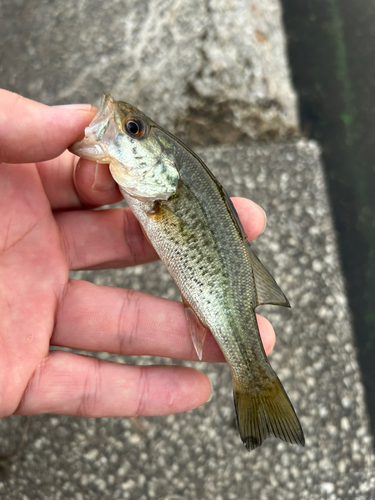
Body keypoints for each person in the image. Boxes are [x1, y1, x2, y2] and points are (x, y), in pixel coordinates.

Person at [0, 89, 275, 419]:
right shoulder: (159, 199)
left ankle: (255, 383)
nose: (123, 126)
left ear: (167, 170)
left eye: (134, 130)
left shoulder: (164, 198)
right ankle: (255, 383)